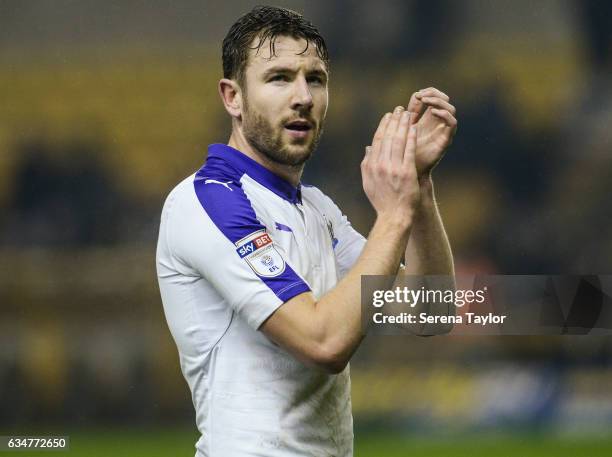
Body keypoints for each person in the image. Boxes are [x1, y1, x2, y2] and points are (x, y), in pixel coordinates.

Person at [156, 5, 456, 456]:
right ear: (232, 97)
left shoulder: (317, 208)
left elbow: (429, 312)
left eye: (315, 79)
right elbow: (324, 342)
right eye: (279, 78)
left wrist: (418, 191)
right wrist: (393, 215)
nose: (303, 97)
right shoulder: (207, 201)